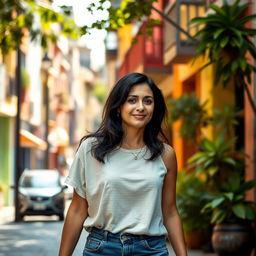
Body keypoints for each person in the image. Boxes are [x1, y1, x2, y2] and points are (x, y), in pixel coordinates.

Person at [59, 73, 187, 256]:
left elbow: (170, 211)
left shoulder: (165, 155)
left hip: (151, 249)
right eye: (132, 100)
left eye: (148, 101)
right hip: (102, 248)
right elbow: (78, 209)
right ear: (119, 106)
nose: (140, 107)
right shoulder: (91, 149)